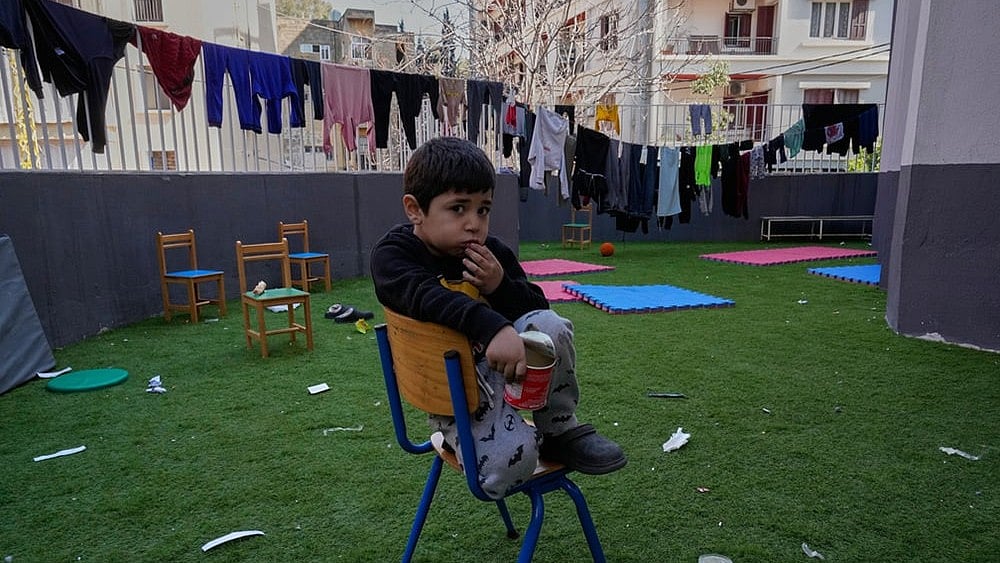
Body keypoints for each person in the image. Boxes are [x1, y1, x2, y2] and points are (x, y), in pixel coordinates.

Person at [371, 136, 626, 500]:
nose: (474, 224)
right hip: (452, 394)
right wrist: (491, 326)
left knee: (551, 327)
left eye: (483, 210)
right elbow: (426, 297)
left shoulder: (490, 253)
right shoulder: (394, 256)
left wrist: (499, 285)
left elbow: (537, 307)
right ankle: (475, 435)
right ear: (415, 209)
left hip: (507, 372)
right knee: (508, 470)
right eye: (458, 209)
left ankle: (557, 428)